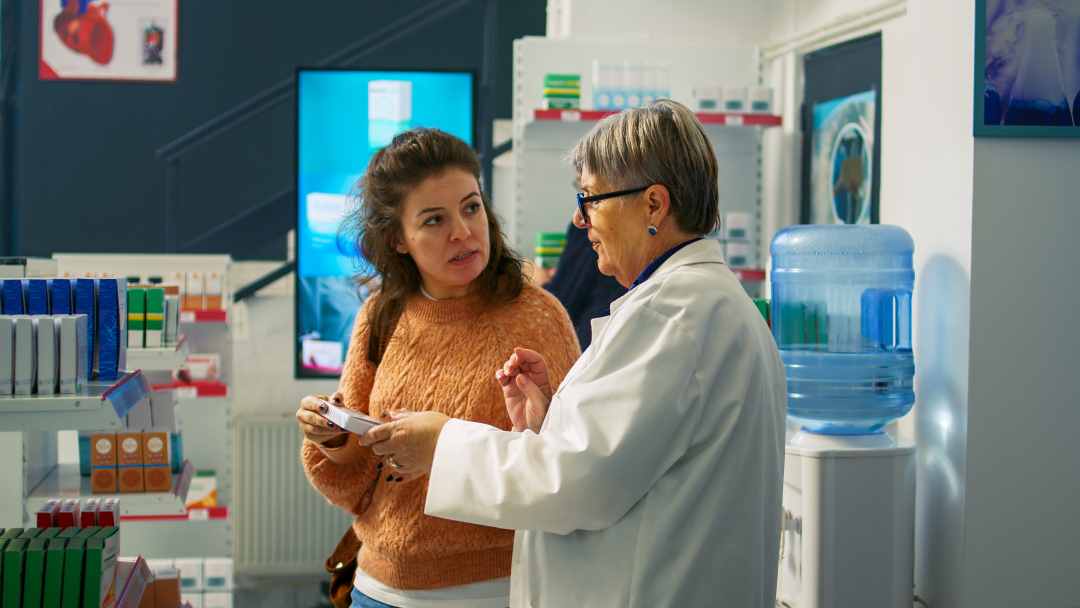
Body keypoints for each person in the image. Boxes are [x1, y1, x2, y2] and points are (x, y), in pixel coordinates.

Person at [358, 100, 788, 607]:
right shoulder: (692, 304)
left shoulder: (675, 315)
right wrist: (550, 419)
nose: (580, 220)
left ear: (653, 205)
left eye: (590, 199)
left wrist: (442, 443)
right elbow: (618, 459)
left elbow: (573, 483)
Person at [296, 128, 580, 608]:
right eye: (433, 220)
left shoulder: (537, 316)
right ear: (398, 240)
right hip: (375, 588)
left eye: (471, 207)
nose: (463, 232)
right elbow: (361, 471)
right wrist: (334, 435)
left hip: (492, 592)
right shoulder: (381, 315)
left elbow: (567, 469)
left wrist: (448, 443)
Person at [541, 222, 626, 349]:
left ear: (653, 207)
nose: (578, 218)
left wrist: (538, 284)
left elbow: (557, 310)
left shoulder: (588, 229)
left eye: (595, 203)